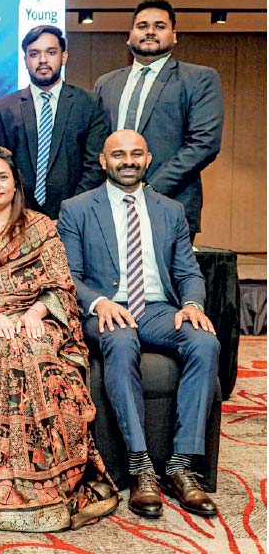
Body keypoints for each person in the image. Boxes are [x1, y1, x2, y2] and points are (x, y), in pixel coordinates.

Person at [0, 146, 118, 532]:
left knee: (37, 348)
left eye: (3, 177)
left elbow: (59, 285)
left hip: (36, 313)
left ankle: (55, 476)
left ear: (16, 183)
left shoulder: (40, 226)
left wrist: (35, 313)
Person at [57, 129, 220, 519]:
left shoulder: (170, 210)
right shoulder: (77, 208)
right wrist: (98, 302)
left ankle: (181, 465)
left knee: (204, 341)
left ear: (147, 159)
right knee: (121, 339)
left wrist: (192, 304)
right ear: (103, 161)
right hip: (106, 310)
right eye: (118, 154)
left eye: (135, 154)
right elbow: (68, 275)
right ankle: (140, 465)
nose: (127, 161)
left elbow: (187, 272)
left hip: (158, 310)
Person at [93, 0, 223, 241]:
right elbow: (96, 144)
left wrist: (150, 189)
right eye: (142, 26)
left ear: (174, 36)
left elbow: (204, 143)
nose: (150, 31)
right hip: (110, 205)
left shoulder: (199, 79)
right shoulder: (106, 83)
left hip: (171, 203)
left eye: (160, 26)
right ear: (129, 36)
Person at [0, 25, 108, 220]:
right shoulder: (4, 108)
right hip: (19, 217)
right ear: (25, 60)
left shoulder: (89, 104)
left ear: (64, 57)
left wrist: (71, 211)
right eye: (34, 54)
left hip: (75, 216)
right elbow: (2, 167)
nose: (43, 60)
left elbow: (95, 165)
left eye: (51, 52)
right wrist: (21, 213)